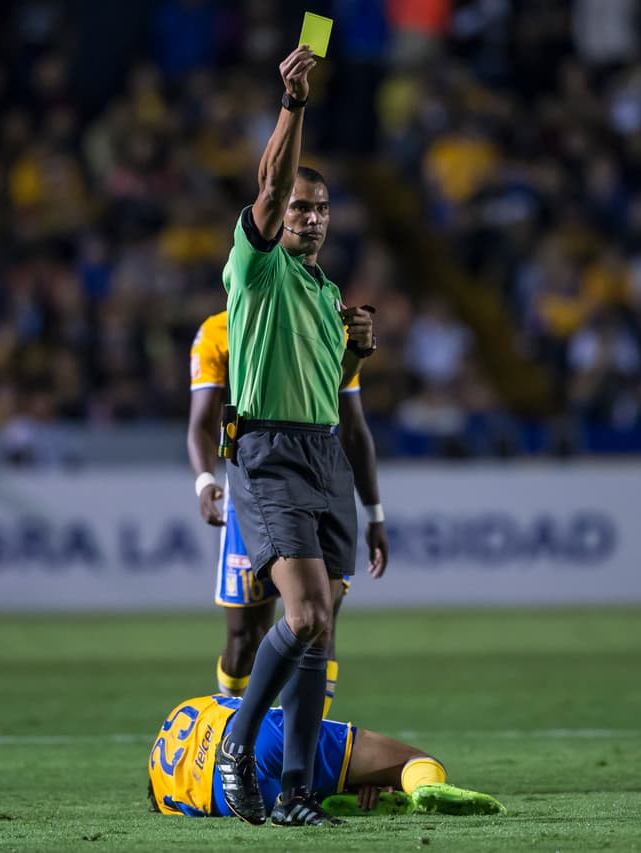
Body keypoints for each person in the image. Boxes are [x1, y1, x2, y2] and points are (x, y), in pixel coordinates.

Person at [213, 44, 379, 828]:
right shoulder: (257, 268)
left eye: (319, 210)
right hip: (267, 452)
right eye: (296, 208)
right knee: (305, 617)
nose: (305, 218)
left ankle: (297, 793)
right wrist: (294, 104)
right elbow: (272, 179)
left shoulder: (325, 291)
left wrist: (354, 349)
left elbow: (332, 396)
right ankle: (237, 746)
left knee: (321, 630)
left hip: (321, 455)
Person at [187, 309, 388, 712]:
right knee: (245, 637)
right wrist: (205, 480)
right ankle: (231, 730)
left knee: (320, 626)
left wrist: (374, 513)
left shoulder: (330, 321)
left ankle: (302, 756)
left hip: (321, 484)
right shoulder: (220, 330)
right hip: (260, 486)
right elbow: (202, 421)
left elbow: (353, 427)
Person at [148, 693, 505, 819]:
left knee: (304, 781)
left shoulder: (166, 796)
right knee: (412, 761)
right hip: (257, 740)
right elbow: (247, 703)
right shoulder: (180, 712)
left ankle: (339, 796)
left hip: (227, 798)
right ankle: (424, 786)